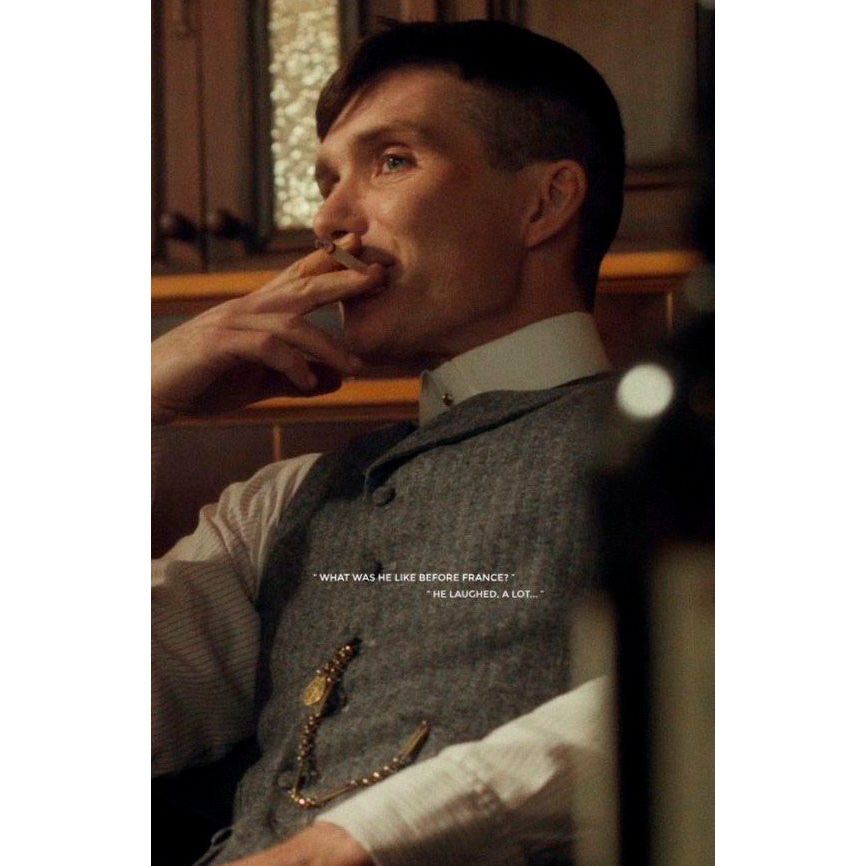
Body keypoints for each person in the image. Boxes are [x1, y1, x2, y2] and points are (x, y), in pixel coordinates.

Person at [152, 19, 625, 866]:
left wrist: (359, 840)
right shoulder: (278, 505)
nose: (329, 219)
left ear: (545, 203)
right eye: (325, 180)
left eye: (392, 161)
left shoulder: (688, 455)